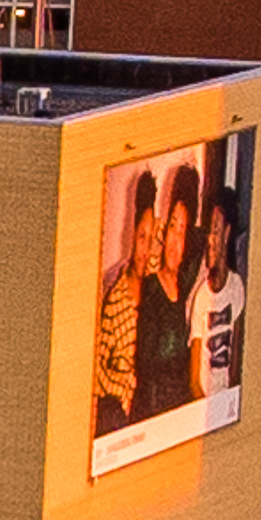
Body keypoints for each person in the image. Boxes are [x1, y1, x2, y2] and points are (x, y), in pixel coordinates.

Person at [93, 165, 163, 435]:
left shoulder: (159, 278)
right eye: (141, 238)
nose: (145, 250)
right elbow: (96, 374)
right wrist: (123, 387)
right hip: (120, 415)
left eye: (151, 237)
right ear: (131, 236)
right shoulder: (114, 298)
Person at [135, 166, 204, 424]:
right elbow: (149, 362)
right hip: (152, 413)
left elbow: (199, 241)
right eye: (172, 225)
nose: (175, 239)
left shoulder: (186, 285)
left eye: (182, 230)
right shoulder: (152, 286)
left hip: (181, 414)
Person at [193, 182, 248, 400]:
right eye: (208, 232)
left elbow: (236, 366)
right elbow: (194, 379)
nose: (210, 241)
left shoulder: (237, 288)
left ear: (226, 234)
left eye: (215, 231)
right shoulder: (201, 297)